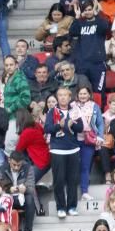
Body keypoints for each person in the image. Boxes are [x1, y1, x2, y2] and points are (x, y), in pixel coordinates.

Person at [44, 87, 83, 218]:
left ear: (69, 97)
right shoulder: (52, 111)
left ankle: (72, 207)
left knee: (73, 180)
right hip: (57, 150)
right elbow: (48, 128)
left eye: (65, 95)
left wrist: (71, 124)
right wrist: (61, 125)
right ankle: (60, 207)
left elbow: (81, 127)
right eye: (59, 95)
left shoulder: (75, 110)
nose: (62, 98)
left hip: (73, 149)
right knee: (59, 180)